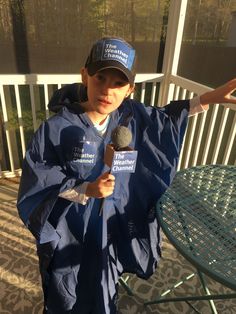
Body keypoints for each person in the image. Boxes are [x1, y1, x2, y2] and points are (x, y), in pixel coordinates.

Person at [17, 37, 236, 314]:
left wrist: (207, 99)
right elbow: (40, 183)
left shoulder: (129, 117)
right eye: (100, 77)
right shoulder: (57, 129)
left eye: (118, 83)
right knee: (70, 286)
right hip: (73, 230)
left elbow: (164, 118)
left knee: (106, 281)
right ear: (85, 75)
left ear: (130, 89)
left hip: (112, 223)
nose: (108, 90)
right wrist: (86, 189)